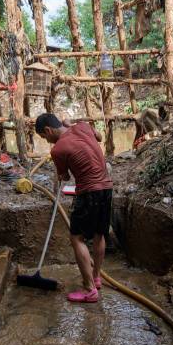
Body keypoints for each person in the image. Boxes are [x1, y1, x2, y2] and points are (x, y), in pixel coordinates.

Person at [35, 113, 113, 303]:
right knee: (99, 234)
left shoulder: (58, 150)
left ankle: (89, 289)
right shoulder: (83, 126)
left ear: (48, 130)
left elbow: (66, 177)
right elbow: (99, 137)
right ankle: (96, 277)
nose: (47, 142)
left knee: (77, 238)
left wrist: (60, 171)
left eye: (45, 138)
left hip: (88, 192)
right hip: (107, 187)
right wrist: (71, 125)